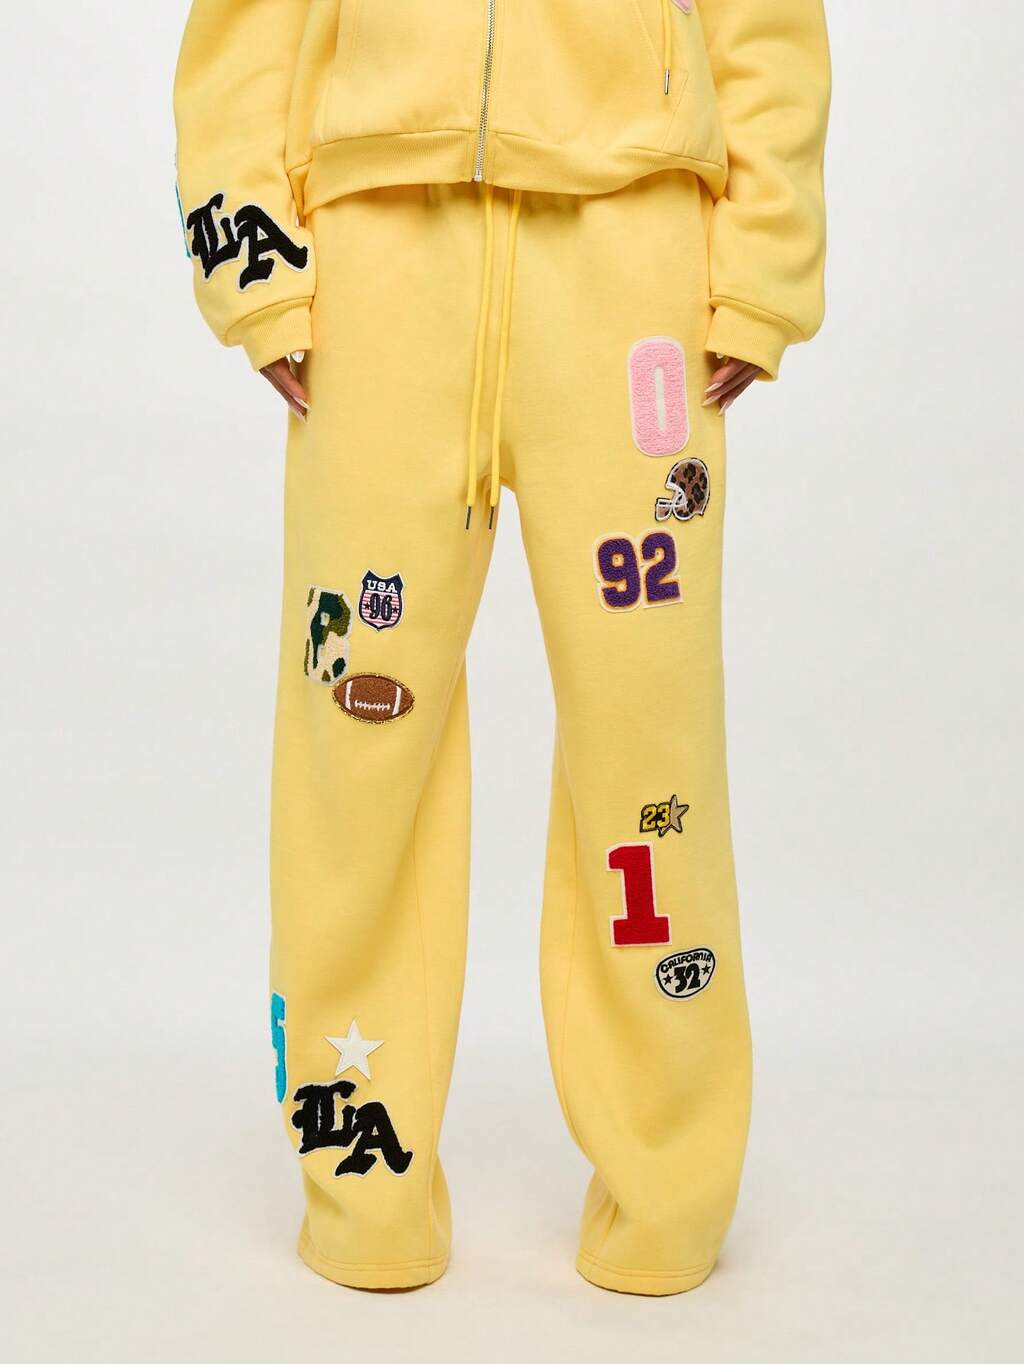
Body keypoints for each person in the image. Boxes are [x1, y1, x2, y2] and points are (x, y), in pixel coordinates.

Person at [174, 0, 830, 1296]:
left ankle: (669, 1191)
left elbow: (768, 25)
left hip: (633, 259)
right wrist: (257, 267)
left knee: (649, 752)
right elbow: (240, 29)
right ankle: (361, 1186)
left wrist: (760, 264)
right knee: (355, 752)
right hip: (379, 269)